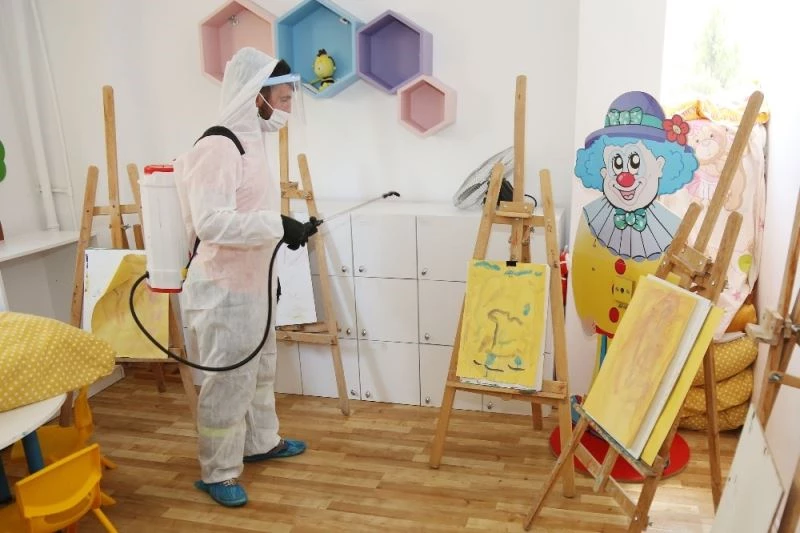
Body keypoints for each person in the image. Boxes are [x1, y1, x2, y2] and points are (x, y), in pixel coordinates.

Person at [173, 47, 317, 508]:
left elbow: (249, 212)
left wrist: (284, 235)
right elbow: (212, 222)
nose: (288, 106)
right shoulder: (219, 145)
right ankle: (218, 472)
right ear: (257, 95)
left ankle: (261, 443)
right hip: (222, 288)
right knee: (229, 381)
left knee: (260, 371)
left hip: (254, 283)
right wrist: (278, 224)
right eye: (283, 97)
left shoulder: (252, 142)